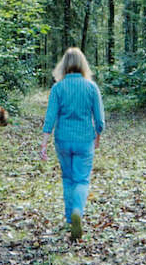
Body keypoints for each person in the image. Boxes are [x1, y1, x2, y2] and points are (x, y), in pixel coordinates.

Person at [41, 46, 105, 241]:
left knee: (68, 178)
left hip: (63, 140)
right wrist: (98, 137)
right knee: (82, 179)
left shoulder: (58, 88)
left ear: (64, 65)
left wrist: (44, 143)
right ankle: (78, 210)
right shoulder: (91, 87)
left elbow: (50, 117)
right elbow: (100, 119)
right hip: (85, 139)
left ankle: (70, 218)